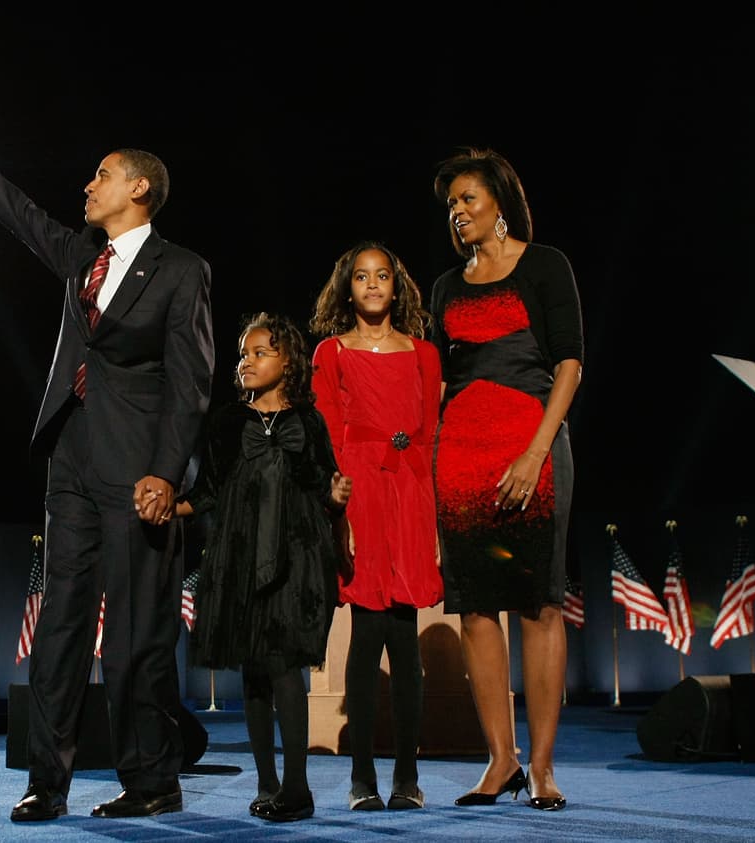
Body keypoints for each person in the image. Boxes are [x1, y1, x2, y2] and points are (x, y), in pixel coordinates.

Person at [0, 74, 214, 822]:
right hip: (71, 459)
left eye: (102, 174)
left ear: (141, 189)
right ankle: (44, 782)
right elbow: (18, 214)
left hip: (138, 471)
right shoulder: (79, 256)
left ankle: (152, 780)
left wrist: (167, 470)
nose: (87, 185)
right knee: (58, 624)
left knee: (134, 636)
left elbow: (192, 384)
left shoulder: (183, 271)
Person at [429, 147, 582, 812]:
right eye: (450, 205)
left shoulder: (546, 264)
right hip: (459, 455)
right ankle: (502, 762)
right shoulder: (444, 287)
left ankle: (543, 767)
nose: (458, 212)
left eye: (468, 198)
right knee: (474, 605)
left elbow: (571, 363)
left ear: (498, 201)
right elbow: (438, 381)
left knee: (539, 602)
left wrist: (533, 452)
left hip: (532, 447)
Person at [172, 312, 351, 822]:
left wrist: (336, 493)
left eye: (259, 353)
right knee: (253, 669)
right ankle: (268, 784)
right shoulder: (228, 422)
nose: (246, 362)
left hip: (296, 554)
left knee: (282, 661)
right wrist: (168, 506)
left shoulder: (308, 420)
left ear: (288, 360)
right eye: (243, 354)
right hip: (240, 555)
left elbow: (322, 480)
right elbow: (206, 491)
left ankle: (298, 789)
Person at [308, 240, 443, 811]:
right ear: (348, 286)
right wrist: (339, 511)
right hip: (359, 490)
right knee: (366, 637)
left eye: (381, 275)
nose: (371, 284)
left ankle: (407, 778)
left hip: (409, 491)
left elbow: (430, 437)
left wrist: (432, 522)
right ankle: (362, 778)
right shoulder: (330, 352)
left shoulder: (424, 354)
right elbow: (324, 434)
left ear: (397, 285)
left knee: (405, 640)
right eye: (361, 276)